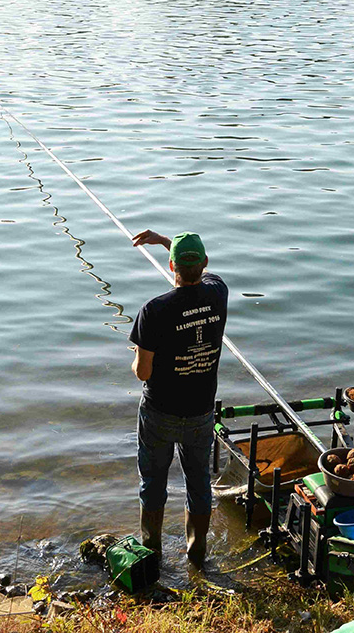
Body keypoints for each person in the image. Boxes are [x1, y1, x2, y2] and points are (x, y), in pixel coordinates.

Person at [129, 229, 228, 568]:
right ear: (204, 264)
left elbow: (142, 373)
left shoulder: (153, 310)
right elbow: (197, 263)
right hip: (201, 413)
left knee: (153, 482)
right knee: (199, 481)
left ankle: (151, 552)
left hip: (159, 412)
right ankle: (197, 554)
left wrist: (135, 357)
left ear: (170, 265)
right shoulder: (219, 293)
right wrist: (167, 241)